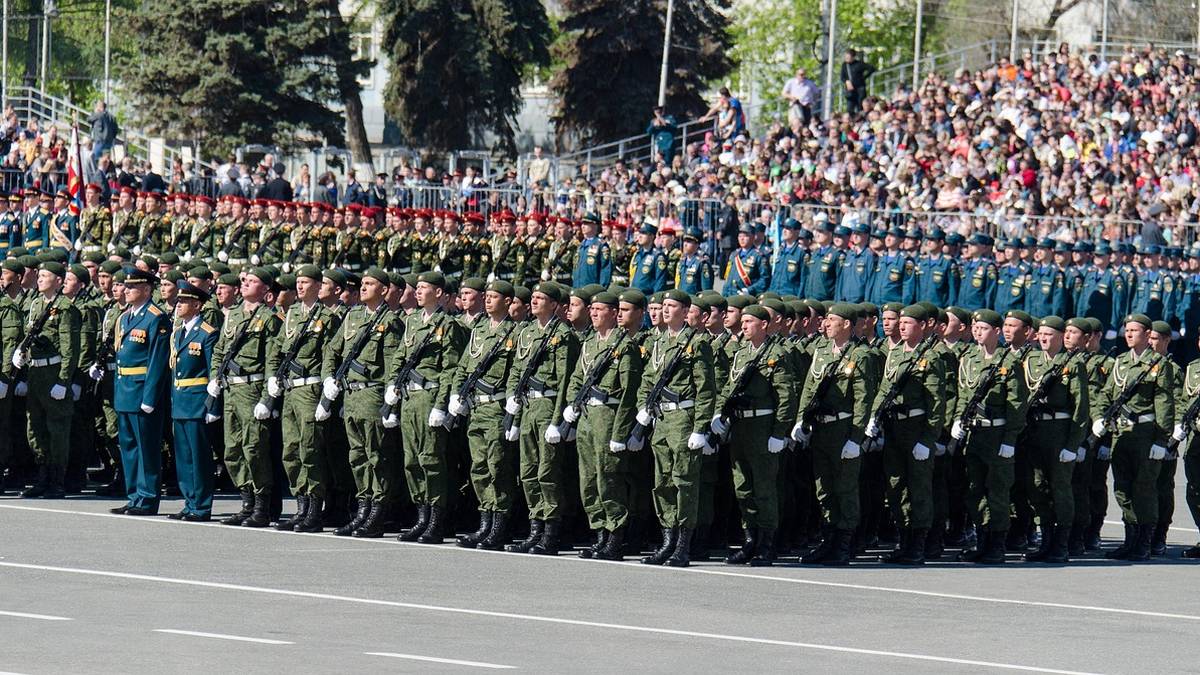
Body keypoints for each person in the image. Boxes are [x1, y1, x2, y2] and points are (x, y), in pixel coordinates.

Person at [633, 290, 715, 567]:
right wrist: (642, 407)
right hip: (662, 421)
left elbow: (705, 390)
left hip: (683, 419)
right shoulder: (657, 341)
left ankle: (682, 545)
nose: (665, 310)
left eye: (671, 306)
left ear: (685, 310)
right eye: (663, 305)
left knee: (685, 483)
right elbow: (647, 379)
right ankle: (667, 541)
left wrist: (700, 428)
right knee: (663, 484)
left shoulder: (697, 342)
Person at [321, 268, 402, 537]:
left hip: (372, 395)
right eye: (363, 283)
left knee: (376, 456)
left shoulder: (390, 321)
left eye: (370, 284)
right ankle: (363, 508)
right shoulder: (352, 316)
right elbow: (331, 349)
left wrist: (391, 396)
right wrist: (328, 379)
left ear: (384, 290)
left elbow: (392, 363)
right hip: (351, 395)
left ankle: (378, 512)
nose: (364, 287)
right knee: (357, 456)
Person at [712, 304, 794, 566]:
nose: (744, 326)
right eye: (743, 321)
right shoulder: (741, 353)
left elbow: (786, 397)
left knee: (764, 489)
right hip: (741, 428)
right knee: (743, 488)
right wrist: (718, 414)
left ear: (764, 325)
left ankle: (767, 544)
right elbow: (728, 387)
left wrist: (779, 433)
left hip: (762, 428)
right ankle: (750, 540)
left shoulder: (776, 354)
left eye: (749, 322)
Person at [793, 303, 873, 566]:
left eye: (832, 320)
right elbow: (809, 388)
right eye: (825, 319)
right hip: (822, 429)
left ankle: (843, 545)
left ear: (847, 324)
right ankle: (828, 540)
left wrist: (856, 437)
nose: (826, 324)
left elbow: (863, 400)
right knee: (824, 489)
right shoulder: (822, 351)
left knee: (845, 488)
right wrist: (800, 421)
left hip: (843, 429)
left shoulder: (860, 355)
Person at [390, 271, 466, 544]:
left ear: (439, 293)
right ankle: (422, 516)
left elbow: (451, 369)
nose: (419, 292)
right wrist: (392, 386)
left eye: (424, 288)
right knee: (412, 461)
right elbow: (399, 357)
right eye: (418, 288)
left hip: (431, 397)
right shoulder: (412, 322)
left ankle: (437, 519)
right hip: (410, 399)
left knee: (432, 460)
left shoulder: (447, 325)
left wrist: (441, 405)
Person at [504, 282, 579, 555]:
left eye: (540, 298)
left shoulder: (563, 335)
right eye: (533, 297)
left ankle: (550, 531)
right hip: (528, 406)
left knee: (547, 472)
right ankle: (535, 528)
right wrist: (512, 402)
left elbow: (564, 381)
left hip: (548, 405)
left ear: (555, 305)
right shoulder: (526, 333)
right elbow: (517, 369)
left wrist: (558, 420)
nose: (534, 301)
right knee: (528, 472)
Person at [1092, 314, 1173, 561]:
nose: (1128, 334)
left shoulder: (1159, 364)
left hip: (1146, 435)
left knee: (1144, 489)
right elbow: (1106, 395)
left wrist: (1162, 441)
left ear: (1148, 334)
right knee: (1122, 489)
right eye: (1127, 330)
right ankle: (1131, 538)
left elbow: (1164, 404)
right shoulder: (1120, 362)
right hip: (1121, 435)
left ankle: (1144, 543)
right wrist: (1098, 417)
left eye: (1134, 330)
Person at [207, 267, 282, 527]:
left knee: (254, 449)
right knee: (232, 449)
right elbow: (220, 349)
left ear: (265, 290)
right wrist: (214, 377)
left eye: (253, 281)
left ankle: (262, 506)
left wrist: (267, 398)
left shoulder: (269, 318)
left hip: (252, 389)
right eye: (245, 281)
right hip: (231, 389)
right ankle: (246, 501)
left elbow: (272, 359)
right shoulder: (234, 314)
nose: (247, 284)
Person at [951, 309, 1028, 564]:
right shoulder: (969, 358)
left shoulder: (1009, 362)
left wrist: (1009, 440)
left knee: (997, 491)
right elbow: (963, 394)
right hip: (975, 434)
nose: (977, 332)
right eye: (975, 328)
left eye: (983, 328)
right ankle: (982, 539)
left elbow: (1017, 405)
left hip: (997, 434)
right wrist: (956, 422)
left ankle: (997, 544)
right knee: (975, 490)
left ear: (996, 332)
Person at [271, 265, 341, 533]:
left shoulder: (327, 318)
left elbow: (328, 357)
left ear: (316, 285)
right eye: (297, 282)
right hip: (290, 390)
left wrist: (326, 392)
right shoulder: (291, 315)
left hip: (310, 390)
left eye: (305, 282)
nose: (299, 287)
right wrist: (272, 378)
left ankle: (314, 510)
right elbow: (278, 350)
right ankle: (300, 507)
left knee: (309, 450)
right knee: (291, 451)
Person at [449, 280, 518, 550]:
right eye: (486, 296)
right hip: (477, 408)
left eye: (494, 297)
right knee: (479, 468)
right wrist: (457, 394)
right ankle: (485, 521)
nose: (488, 301)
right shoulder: (478, 329)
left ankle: (499, 525)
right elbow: (464, 367)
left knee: (497, 467)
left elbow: (516, 373)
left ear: (508, 301)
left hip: (497, 408)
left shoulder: (514, 333)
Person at [109, 267, 168, 514]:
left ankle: (147, 497)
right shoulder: (125, 317)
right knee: (129, 447)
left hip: (142, 391)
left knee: (146, 448)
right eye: (126, 286)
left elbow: (158, 361)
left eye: (132, 287)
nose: (126, 290)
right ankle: (133, 495)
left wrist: (150, 396)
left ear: (146, 290)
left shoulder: (156, 317)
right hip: (124, 390)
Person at [167, 280, 219, 521]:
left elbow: (213, 374)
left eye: (185, 301)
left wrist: (213, 405)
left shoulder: (207, 334)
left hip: (198, 401)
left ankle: (201, 505)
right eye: (179, 300)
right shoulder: (179, 333)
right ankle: (189, 502)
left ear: (197, 305)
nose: (179, 304)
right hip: (180, 400)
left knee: (199, 457)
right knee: (184, 456)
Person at [840, 48, 876, 116]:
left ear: (853, 57)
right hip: (850, 90)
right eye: (846, 57)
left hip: (860, 88)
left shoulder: (859, 64)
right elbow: (842, 77)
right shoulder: (844, 65)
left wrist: (863, 78)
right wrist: (846, 81)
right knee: (849, 108)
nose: (846, 58)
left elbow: (871, 68)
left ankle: (861, 118)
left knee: (860, 106)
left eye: (848, 57)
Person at [87, 100, 119, 165]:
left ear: (100, 107)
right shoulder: (111, 117)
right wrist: (112, 137)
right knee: (106, 160)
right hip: (109, 142)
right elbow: (116, 129)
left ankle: (98, 173)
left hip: (100, 141)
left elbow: (89, 119)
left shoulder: (98, 114)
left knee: (95, 159)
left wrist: (95, 112)